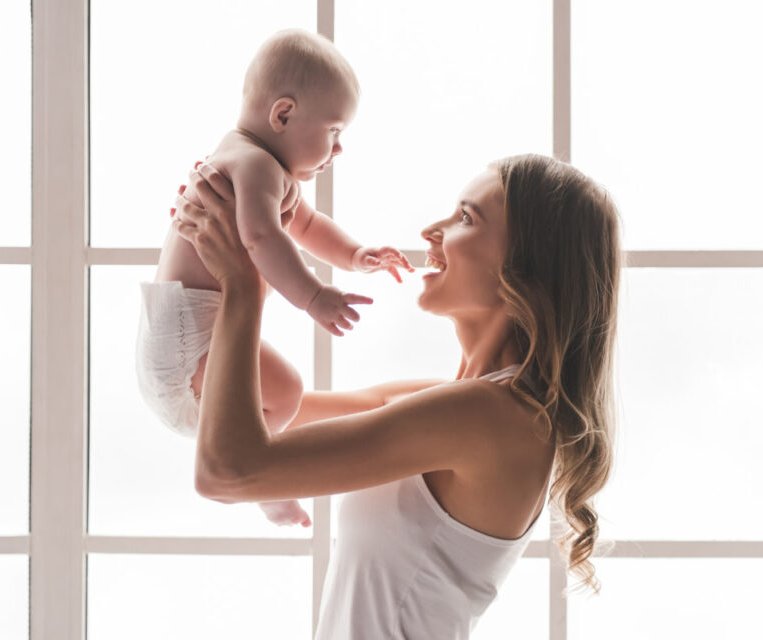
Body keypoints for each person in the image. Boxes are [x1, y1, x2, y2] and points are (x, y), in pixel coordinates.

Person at [172, 154, 622, 638]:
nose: (432, 230)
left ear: (526, 267)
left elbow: (226, 473)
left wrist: (241, 283)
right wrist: (235, 233)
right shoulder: (458, 406)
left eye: (466, 218)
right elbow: (257, 413)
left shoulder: (491, 418)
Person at [136, 28, 412, 527]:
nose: (339, 148)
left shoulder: (255, 162)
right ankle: (260, 480)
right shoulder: (254, 165)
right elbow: (263, 239)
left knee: (285, 397)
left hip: (176, 344)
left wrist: (354, 255)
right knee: (285, 392)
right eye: (334, 131)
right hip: (188, 346)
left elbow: (303, 225)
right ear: (283, 114)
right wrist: (314, 298)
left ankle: (253, 468)